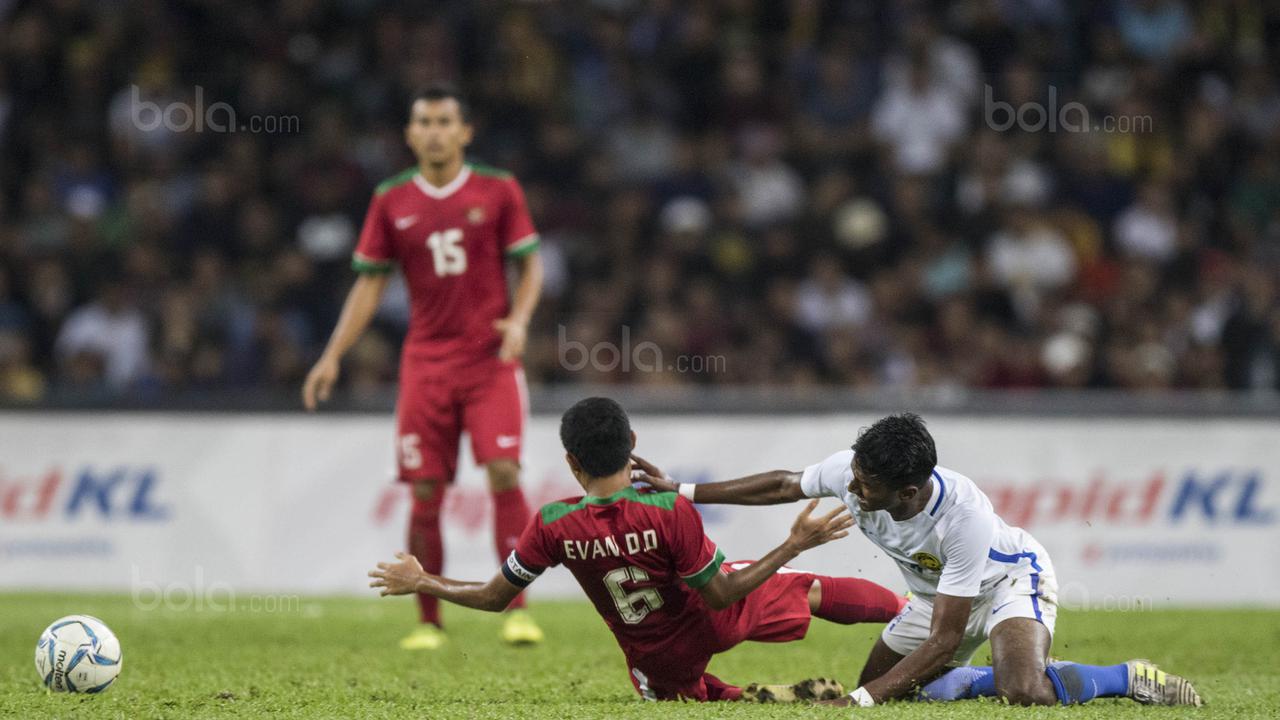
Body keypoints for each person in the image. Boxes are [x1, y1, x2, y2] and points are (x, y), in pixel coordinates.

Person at [633, 412, 1202, 707]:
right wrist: (681, 491)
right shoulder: (857, 471)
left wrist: (857, 704)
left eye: (866, 485)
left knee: (1024, 692)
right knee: (889, 684)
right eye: (853, 475)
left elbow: (942, 640)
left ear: (908, 492)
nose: (851, 490)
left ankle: (1128, 676)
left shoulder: (963, 518)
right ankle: (985, 678)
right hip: (937, 597)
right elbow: (784, 484)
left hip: (1006, 582)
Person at [369, 397, 906, 702]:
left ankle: (739, 697)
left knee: (680, 701)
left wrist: (422, 581)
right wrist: (792, 545)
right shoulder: (667, 510)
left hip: (656, 654)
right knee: (807, 590)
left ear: (573, 464)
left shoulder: (554, 524)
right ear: (632, 444)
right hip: (715, 616)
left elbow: (493, 597)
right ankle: (911, 616)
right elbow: (720, 596)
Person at [304, 85, 545, 650]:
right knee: (426, 490)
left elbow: (530, 268)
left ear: (465, 132)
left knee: (505, 473)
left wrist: (520, 320)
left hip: (490, 362)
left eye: (444, 121)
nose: (434, 131)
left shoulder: (499, 189)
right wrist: (333, 354)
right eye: (424, 122)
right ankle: (429, 622)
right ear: (410, 134)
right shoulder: (391, 199)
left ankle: (516, 609)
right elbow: (370, 283)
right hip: (426, 366)